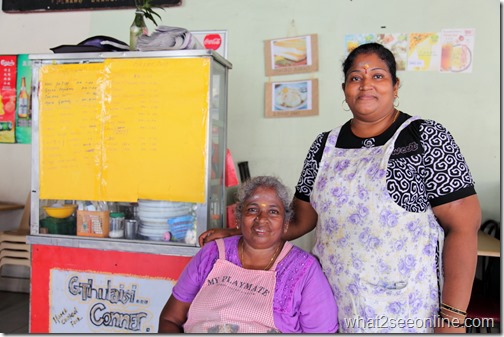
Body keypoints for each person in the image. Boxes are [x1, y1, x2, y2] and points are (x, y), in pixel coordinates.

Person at [199, 43, 481, 333]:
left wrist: (453, 318)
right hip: (331, 304)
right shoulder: (324, 146)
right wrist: (238, 233)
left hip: (406, 308)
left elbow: (464, 227)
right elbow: (299, 221)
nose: (366, 85)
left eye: (378, 76)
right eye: (356, 77)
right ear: (344, 88)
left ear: (396, 86)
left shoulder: (424, 137)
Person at [158, 176, 338, 333]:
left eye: (273, 212)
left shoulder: (304, 270)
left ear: (285, 223)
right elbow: (170, 319)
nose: (261, 219)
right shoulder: (211, 254)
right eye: (252, 209)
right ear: (238, 218)